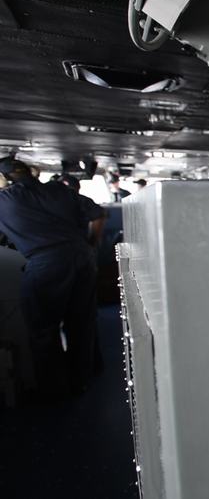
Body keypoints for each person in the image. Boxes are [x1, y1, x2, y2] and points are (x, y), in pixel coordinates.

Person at [0, 158, 102, 398]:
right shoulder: (58, 190)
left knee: (43, 329)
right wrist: (90, 246)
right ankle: (82, 381)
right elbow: (98, 214)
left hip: (46, 264)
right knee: (81, 323)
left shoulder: (4, 200)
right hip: (83, 258)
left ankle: (54, 391)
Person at [59, 174, 107, 249]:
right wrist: (92, 242)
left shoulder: (45, 201)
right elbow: (99, 216)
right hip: (76, 245)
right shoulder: (81, 200)